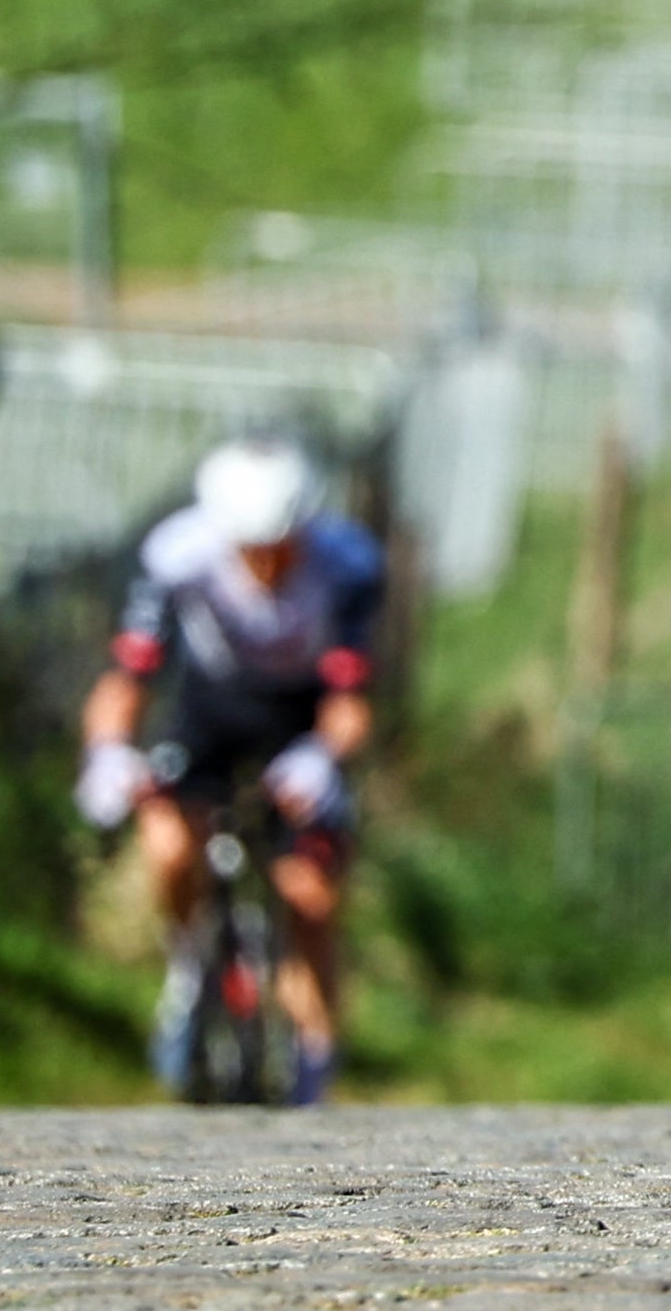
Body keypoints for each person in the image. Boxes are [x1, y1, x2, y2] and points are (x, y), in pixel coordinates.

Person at [75, 431, 384, 1103]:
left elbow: (351, 699)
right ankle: (191, 961)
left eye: (283, 546)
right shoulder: (176, 556)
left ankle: (313, 1058)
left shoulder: (349, 564)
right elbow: (127, 679)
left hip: (302, 718)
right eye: (252, 548)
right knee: (167, 837)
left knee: (309, 890)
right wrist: (105, 750)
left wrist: (325, 755)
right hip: (210, 708)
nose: (270, 564)